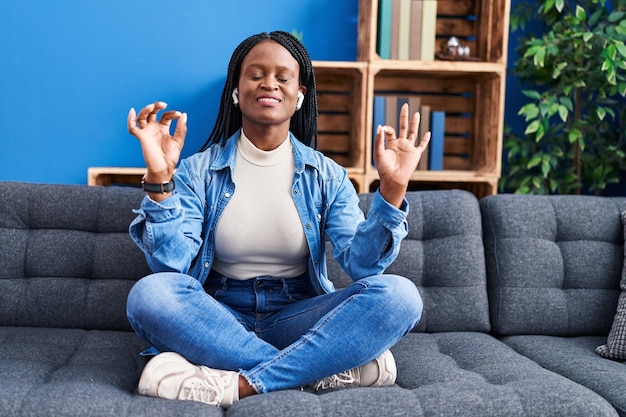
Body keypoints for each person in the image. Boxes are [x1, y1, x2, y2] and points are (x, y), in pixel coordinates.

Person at [125, 30, 430, 409]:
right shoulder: (196, 171)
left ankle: (238, 385)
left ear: (300, 94)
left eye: (283, 77)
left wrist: (392, 191)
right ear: (236, 91)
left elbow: (363, 266)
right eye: (255, 74)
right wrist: (159, 179)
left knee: (399, 295)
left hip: (297, 315)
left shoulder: (326, 175)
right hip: (217, 317)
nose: (269, 83)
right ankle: (315, 370)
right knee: (150, 295)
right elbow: (170, 265)